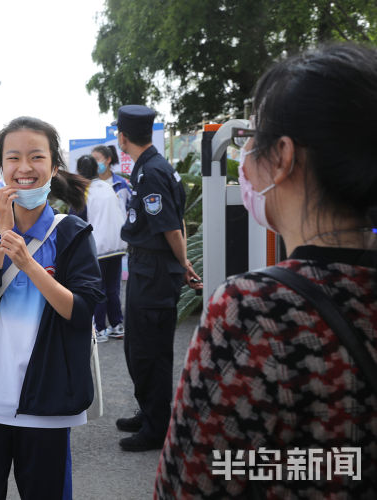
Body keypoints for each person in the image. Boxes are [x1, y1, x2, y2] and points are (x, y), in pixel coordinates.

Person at [156, 43, 377, 499]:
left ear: (283, 155)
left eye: (252, 139)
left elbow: (195, 481)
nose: (246, 160)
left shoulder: (256, 312)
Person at [0, 116, 103, 500]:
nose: (24, 168)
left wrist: (29, 263)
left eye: (36, 157)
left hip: (47, 401)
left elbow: (82, 310)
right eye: (13, 157)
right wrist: (0, 235)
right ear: (0, 167)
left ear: (54, 167)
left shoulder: (72, 232)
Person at [116, 104, 202, 452]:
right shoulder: (153, 166)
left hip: (152, 270)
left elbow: (169, 226)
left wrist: (183, 265)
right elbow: (177, 220)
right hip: (148, 268)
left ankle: (156, 427)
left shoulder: (150, 172)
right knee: (138, 346)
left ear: (123, 137)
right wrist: (181, 263)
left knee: (149, 350)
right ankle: (150, 411)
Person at [74, 155, 127, 343]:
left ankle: (101, 329)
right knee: (113, 288)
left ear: (79, 172)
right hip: (118, 245)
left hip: (98, 247)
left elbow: (76, 222)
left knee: (99, 289)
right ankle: (117, 325)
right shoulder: (107, 186)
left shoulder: (83, 192)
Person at [92, 144, 131, 212]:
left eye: (97, 159)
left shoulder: (121, 184)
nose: (94, 163)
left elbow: (131, 207)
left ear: (108, 160)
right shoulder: (90, 185)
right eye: (92, 160)